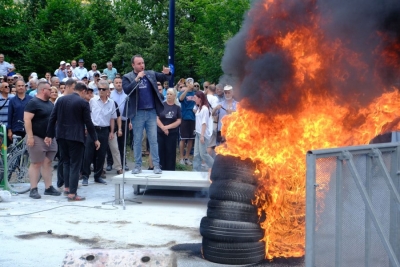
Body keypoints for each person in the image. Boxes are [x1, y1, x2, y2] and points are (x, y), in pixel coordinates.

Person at [45, 81, 100, 201]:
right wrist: (95, 138)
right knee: (75, 165)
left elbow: (52, 118)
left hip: (61, 136)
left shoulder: (61, 100)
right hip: (76, 137)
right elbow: (88, 123)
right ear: (84, 91)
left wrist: (49, 135)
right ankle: (72, 193)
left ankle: (67, 187)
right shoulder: (83, 103)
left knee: (66, 162)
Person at [122, 54, 170, 174]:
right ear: (133, 65)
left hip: (151, 111)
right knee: (137, 140)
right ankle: (137, 166)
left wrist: (167, 73)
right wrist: (137, 78)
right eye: (139, 63)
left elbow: (164, 77)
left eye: (143, 63)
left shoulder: (151, 74)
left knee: (153, 140)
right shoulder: (127, 77)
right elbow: (127, 90)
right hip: (137, 113)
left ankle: (156, 166)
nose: (142, 65)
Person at [24, 81, 60, 199]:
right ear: (43, 90)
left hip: (49, 138)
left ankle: (48, 187)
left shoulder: (50, 104)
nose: (52, 92)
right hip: (36, 137)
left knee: (48, 162)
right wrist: (30, 136)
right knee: (36, 163)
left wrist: (50, 135)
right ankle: (33, 189)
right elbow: (27, 120)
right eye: (50, 90)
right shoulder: (33, 103)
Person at [81, 80, 117, 186]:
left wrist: (111, 131)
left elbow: (112, 118)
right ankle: (85, 176)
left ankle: (97, 175)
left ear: (108, 91)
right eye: (99, 89)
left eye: (103, 89)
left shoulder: (112, 103)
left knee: (101, 154)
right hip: (93, 129)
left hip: (105, 130)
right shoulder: (93, 101)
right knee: (88, 153)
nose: (101, 91)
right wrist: (86, 128)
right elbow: (87, 116)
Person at [157, 88, 181, 170]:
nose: (169, 96)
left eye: (171, 94)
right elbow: (156, 118)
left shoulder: (177, 107)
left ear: (174, 96)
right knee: (160, 152)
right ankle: (160, 169)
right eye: (167, 94)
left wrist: (167, 127)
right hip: (160, 133)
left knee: (170, 153)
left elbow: (178, 121)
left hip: (172, 134)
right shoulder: (161, 105)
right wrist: (163, 128)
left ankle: (170, 171)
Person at [110, 77, 131, 171]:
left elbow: (130, 108)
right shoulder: (110, 95)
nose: (119, 84)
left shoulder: (127, 94)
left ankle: (123, 163)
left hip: (125, 121)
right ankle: (110, 163)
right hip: (112, 121)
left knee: (123, 143)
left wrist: (130, 121)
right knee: (111, 143)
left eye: (120, 82)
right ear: (114, 84)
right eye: (117, 82)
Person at [192, 91, 214, 172]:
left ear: (200, 99)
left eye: (195, 98)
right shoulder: (199, 108)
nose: (194, 99)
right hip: (198, 133)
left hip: (203, 134)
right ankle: (195, 170)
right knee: (196, 154)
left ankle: (214, 167)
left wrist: (202, 135)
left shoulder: (205, 109)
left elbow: (204, 123)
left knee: (203, 154)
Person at [178, 79, 196, 166]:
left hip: (193, 118)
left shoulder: (196, 93)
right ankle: (181, 158)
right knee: (183, 138)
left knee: (191, 139)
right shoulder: (182, 92)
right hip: (184, 117)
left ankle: (187, 157)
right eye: (188, 82)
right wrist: (186, 90)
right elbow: (180, 99)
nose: (190, 84)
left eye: (191, 82)